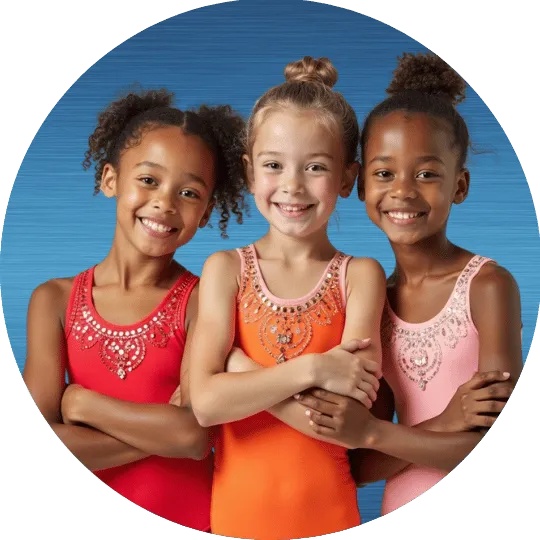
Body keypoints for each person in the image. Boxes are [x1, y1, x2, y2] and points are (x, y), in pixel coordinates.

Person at [295, 52, 522, 516]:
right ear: (360, 187)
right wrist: (445, 422)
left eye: (427, 174)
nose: (403, 190)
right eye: (384, 173)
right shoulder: (370, 301)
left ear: (459, 186)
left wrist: (376, 434)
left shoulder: (488, 286)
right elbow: (360, 467)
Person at [23, 88, 247, 530]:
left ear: (206, 213)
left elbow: (193, 434)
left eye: (189, 192)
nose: (165, 202)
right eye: (148, 180)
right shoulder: (54, 300)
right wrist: (167, 434)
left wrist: (82, 403)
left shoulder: (206, 301)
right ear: (110, 180)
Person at [188, 56, 386, 539]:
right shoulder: (224, 269)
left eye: (315, 166)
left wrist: (238, 370)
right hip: (237, 516)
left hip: (331, 516)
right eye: (274, 165)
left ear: (346, 177)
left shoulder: (360, 276)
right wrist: (313, 369)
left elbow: (347, 419)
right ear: (250, 171)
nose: (292, 186)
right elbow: (206, 405)